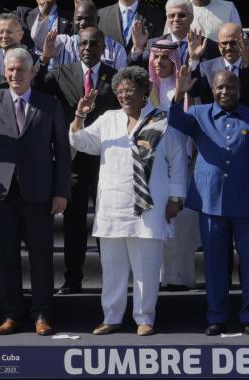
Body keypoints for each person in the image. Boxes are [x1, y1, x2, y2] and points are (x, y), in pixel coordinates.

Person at [0, 49, 71, 336]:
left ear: (32, 72)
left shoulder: (50, 104)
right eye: (10, 70)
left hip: (39, 191)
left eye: (21, 70)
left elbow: (63, 152)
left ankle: (42, 313)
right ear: (4, 73)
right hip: (1, 190)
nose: (15, 75)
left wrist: (61, 191)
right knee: (6, 256)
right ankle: (12, 314)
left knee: (41, 256)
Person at [69, 66, 190, 336]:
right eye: (120, 91)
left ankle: (144, 318)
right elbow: (81, 142)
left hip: (149, 206)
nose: (124, 95)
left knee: (146, 268)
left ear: (144, 91)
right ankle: (111, 317)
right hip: (113, 205)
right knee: (112, 269)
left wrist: (176, 198)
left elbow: (178, 162)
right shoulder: (108, 118)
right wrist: (80, 115)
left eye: (130, 90)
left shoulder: (162, 120)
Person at [170, 68, 249, 335]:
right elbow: (175, 121)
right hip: (210, 200)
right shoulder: (199, 114)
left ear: (238, 89)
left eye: (229, 87)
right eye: (219, 88)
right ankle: (216, 316)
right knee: (214, 262)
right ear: (212, 90)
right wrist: (179, 93)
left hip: (247, 201)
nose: (224, 92)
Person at [34, 27, 119, 294]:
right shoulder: (61, 74)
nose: (88, 48)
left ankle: (112, 280)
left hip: (105, 159)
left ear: (103, 47)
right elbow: (35, 88)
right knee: (73, 223)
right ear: (77, 46)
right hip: (72, 160)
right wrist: (44, 60)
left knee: (108, 220)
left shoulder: (114, 77)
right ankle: (73, 278)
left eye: (94, 43)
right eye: (83, 43)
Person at [146, 40, 200, 291]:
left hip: (184, 164)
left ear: (175, 60)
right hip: (154, 166)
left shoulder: (187, 91)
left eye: (165, 58)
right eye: (156, 58)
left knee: (181, 225)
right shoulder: (147, 91)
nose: (159, 63)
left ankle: (179, 279)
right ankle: (156, 279)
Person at [186, 23, 249, 112]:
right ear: (218, 46)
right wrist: (194, 58)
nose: (228, 47)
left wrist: (247, 65)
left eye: (233, 43)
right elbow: (194, 92)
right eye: (224, 43)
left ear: (243, 41)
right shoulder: (206, 68)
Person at [131, 0, 220, 67]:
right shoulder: (154, 44)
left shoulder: (207, 45)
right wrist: (138, 47)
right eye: (172, 15)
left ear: (191, 18)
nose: (176, 19)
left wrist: (195, 60)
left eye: (181, 15)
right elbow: (139, 69)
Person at [42, 0, 128, 70]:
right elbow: (36, 38)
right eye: (79, 19)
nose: (83, 23)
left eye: (88, 19)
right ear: (73, 19)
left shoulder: (116, 49)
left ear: (97, 20)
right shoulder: (61, 43)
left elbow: (121, 81)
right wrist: (45, 57)